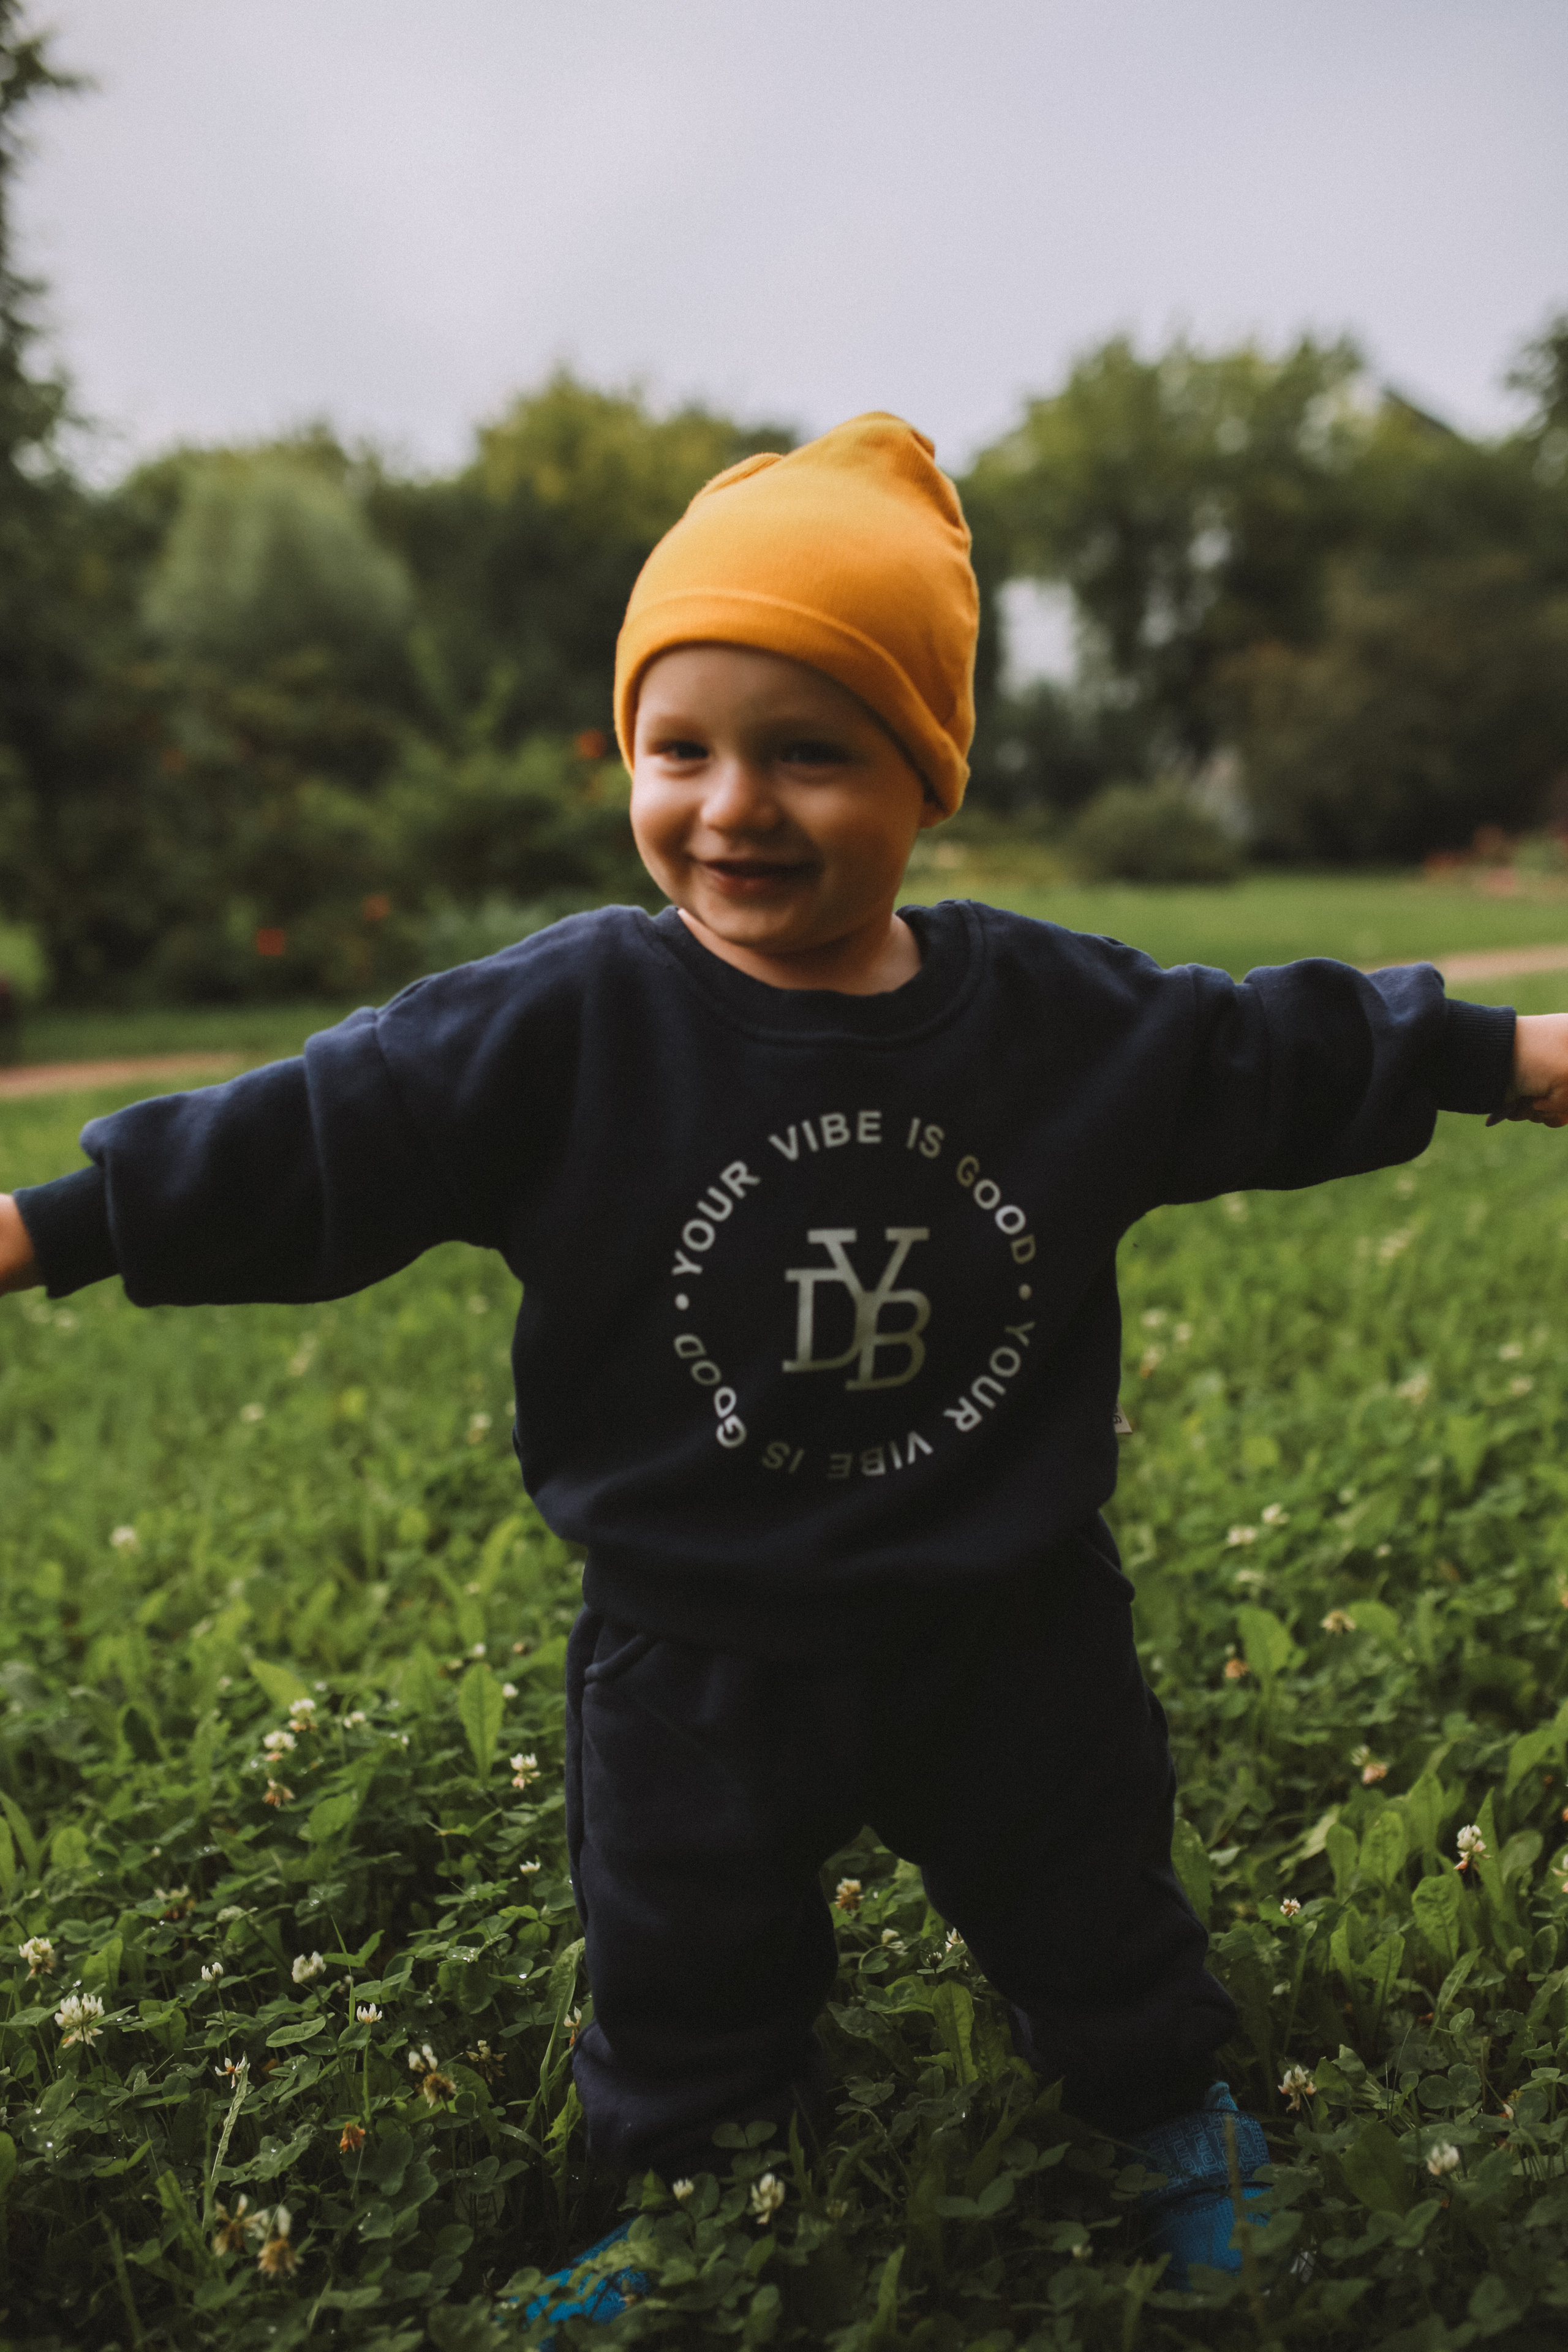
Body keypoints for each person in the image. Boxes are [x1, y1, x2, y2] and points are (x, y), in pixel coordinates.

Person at [3, 416, 1567, 2315]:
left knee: (1091, 1894)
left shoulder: (1060, 1023)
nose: (731, 805)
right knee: (681, 1942)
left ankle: (1172, 2114)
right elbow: (316, 1137)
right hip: (699, 1632)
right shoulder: (571, 1019)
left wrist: (1512, 1061)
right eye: (682, 749)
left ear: (924, 776)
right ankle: (688, 2195)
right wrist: (49, 1230)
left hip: (1009, 1610)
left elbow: (1280, 1052)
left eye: (807, 752)